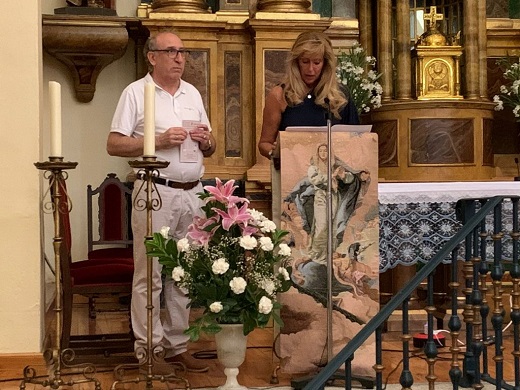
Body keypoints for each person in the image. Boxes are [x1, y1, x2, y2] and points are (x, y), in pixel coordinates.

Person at [107, 31, 215, 374]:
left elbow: (209, 146)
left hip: (192, 191)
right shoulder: (136, 92)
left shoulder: (192, 93)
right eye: (171, 51)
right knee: (150, 273)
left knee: (184, 273)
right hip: (156, 189)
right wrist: (158, 139)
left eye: (182, 51)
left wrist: (207, 140)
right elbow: (113, 144)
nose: (180, 58)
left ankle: (177, 345)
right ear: (152, 57)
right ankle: (148, 349)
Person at [258, 31, 360, 159]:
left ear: (325, 64)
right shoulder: (280, 95)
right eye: (305, 62)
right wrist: (275, 153)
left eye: (317, 63)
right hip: (293, 171)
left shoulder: (340, 95)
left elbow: (358, 139)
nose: (310, 69)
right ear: (296, 63)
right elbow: (264, 143)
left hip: (333, 173)